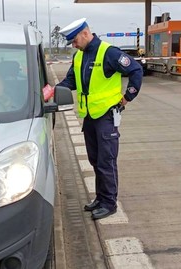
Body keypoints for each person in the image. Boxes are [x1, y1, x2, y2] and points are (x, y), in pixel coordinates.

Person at [57, 18, 143, 220]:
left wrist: (128, 96)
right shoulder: (79, 56)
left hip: (106, 116)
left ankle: (109, 203)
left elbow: (135, 70)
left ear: (85, 34)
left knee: (106, 161)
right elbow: (71, 80)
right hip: (89, 116)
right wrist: (52, 91)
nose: (73, 45)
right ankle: (100, 197)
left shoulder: (109, 53)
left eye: (75, 40)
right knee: (95, 160)